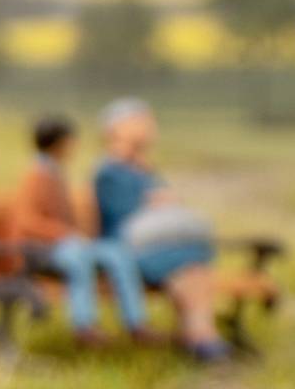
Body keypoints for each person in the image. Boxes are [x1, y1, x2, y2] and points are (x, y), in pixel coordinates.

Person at [93, 98, 230, 362]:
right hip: (126, 250)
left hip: (155, 247)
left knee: (193, 269)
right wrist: (155, 202)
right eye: (142, 121)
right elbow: (122, 214)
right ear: (118, 128)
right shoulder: (110, 171)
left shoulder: (144, 169)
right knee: (189, 267)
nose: (150, 126)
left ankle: (199, 335)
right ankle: (201, 337)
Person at [14, 115, 148, 345]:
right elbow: (26, 221)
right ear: (59, 143)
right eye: (70, 140)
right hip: (42, 250)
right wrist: (65, 233)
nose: (74, 145)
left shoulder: (56, 172)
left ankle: (136, 323)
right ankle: (84, 326)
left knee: (117, 253)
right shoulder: (37, 174)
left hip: (65, 244)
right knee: (79, 256)